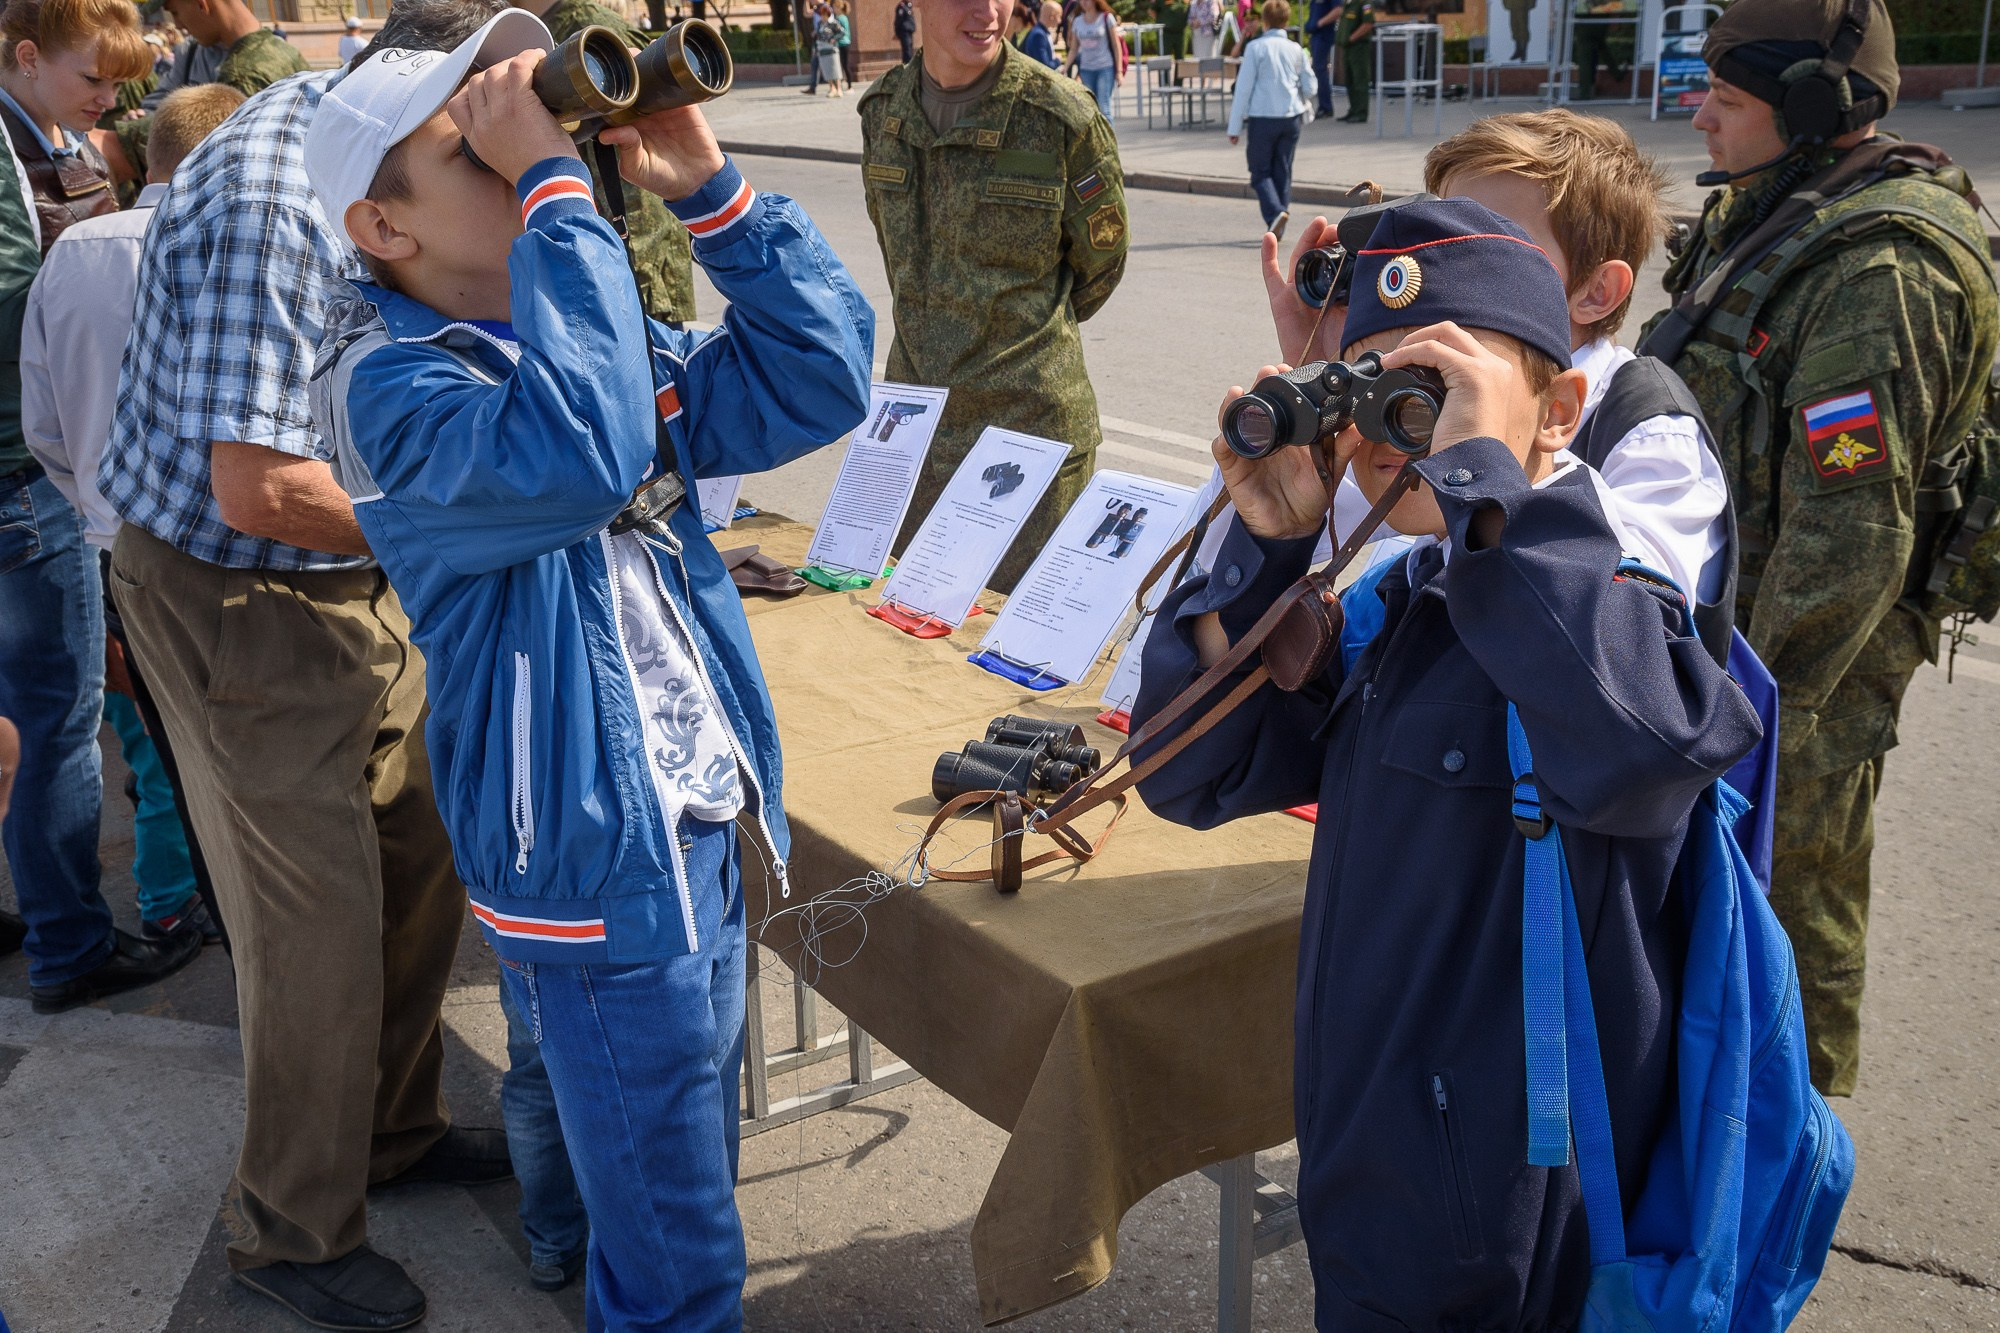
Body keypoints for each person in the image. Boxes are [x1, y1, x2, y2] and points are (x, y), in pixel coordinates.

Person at [302, 14, 873, 1323]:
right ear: (382, 229)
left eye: (539, 126)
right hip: (587, 846)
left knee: (667, 1168)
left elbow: (823, 379)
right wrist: (563, 196)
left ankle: (571, 1235)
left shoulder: (578, 332)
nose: (532, 146)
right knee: (681, 1255)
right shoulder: (386, 390)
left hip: (692, 820)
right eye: (480, 146)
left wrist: (713, 192)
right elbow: (576, 454)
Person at [1134, 197, 1760, 1330]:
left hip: (1507, 1235)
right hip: (1369, 1163)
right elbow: (1189, 776)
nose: (1391, 429)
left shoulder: (1589, 600)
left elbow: (1647, 745)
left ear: (1560, 410)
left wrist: (1487, 489)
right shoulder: (1395, 600)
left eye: (1432, 392)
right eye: (1367, 392)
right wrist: (1269, 547)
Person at [98, 2, 523, 1326]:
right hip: (245, 597)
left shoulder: (378, 159)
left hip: (356, 565)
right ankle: (289, 1237)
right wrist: (478, 521)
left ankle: (389, 1133)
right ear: (414, 94)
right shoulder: (279, 199)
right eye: (488, 116)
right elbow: (262, 487)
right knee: (315, 931)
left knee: (413, 865)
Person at [1638, 0, 2000, 1096]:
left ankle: (1784, 1176)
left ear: (1809, 108)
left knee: (1785, 932)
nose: (1698, 116)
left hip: (1792, 686)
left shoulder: (1877, 271)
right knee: (1698, 943)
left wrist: (1738, 730)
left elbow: (1849, 540)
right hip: (1717, 657)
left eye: (1728, 99)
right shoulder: (1779, 209)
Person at [1, 21, 200, 1005]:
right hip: (25, 479)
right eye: (96, 78)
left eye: (128, 88)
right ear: (25, 51)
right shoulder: (9, 155)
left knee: (24, 719)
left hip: (36, 465)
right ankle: (70, 946)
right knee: (60, 722)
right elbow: (19, 313)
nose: (113, 103)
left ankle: (42, 906)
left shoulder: (51, 141)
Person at [20, 82, 245, 949]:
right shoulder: (228, 239)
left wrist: (93, 508)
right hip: (234, 546)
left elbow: (42, 421)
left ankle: (205, 910)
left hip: (113, 545)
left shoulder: (74, 251)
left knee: (162, 748)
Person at [861, 0, 1129, 592]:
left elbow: (1101, 262)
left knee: (1018, 653)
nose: (987, 11)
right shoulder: (882, 112)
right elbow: (896, 254)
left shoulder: (1059, 117)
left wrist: (1019, 339)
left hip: (1030, 435)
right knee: (905, 636)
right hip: (919, 436)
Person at [513, 0, 698, 323]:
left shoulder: (588, 23)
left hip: (634, 242)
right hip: (604, 237)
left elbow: (645, 117)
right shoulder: (530, 26)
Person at [98, 0, 302, 183]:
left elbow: (201, 136)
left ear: (202, 4)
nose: (177, 25)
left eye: (175, 12)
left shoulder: (246, 71)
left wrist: (113, 142)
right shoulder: (281, 52)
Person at [0, 0, 148, 249]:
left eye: (117, 85)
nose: (110, 101)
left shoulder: (69, 128)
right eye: (93, 79)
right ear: (29, 59)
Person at [1227, 0, 1314, 241]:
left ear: (1264, 20)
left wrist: (1234, 126)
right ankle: (1279, 220)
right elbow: (1311, 85)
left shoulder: (1255, 48)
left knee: (1259, 172)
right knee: (1282, 170)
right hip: (1290, 118)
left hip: (1262, 118)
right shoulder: (1295, 48)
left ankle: (1276, 213)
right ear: (1286, 21)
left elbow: (1243, 89)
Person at [1065, 0, 1121, 117]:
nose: (1084, 2)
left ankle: (1108, 136)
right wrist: (1065, 68)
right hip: (1086, 69)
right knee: (1090, 108)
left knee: (1104, 108)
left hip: (1104, 67)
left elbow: (1116, 46)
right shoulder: (1077, 21)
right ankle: (1095, 136)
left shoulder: (1106, 18)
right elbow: (1074, 49)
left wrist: (1119, 72)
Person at [1333, 0, 1370, 121]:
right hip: (1347, 48)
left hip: (1358, 47)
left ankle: (1361, 112)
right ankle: (1353, 109)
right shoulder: (1349, 5)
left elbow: (1368, 24)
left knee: (1360, 80)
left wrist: (1351, 38)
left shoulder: (1364, 4)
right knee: (1349, 80)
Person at [1304, 0, 1334, 115]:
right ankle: (1324, 105)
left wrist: (1320, 23)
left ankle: (1326, 107)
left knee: (1320, 69)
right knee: (1318, 69)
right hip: (1316, 36)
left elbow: (1338, 10)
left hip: (1323, 35)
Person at [1021, 0, 1057, 67]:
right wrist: (1057, 61)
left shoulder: (1041, 32)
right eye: (1059, 16)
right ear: (1052, 16)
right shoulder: (1039, 35)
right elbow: (1045, 66)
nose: (1060, 21)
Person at [836, 0, 855, 87]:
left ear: (839, 8)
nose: (834, 9)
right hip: (841, 43)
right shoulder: (839, 17)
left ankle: (850, 85)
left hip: (844, 43)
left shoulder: (841, 18)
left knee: (845, 64)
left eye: (835, 7)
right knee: (843, 64)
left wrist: (834, 38)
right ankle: (846, 84)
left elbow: (842, 32)